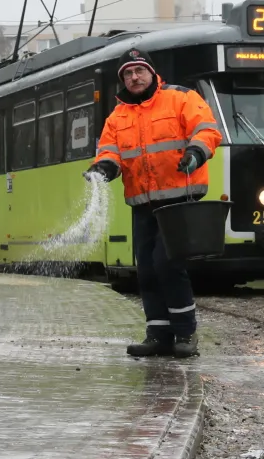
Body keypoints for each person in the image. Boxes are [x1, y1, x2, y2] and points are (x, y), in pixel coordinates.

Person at [86, 50, 223, 359]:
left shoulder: (180, 98)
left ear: (151, 72)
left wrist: (196, 152)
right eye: (128, 74)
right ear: (123, 79)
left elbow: (207, 130)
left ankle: (186, 332)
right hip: (143, 203)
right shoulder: (117, 116)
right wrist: (104, 168)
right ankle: (158, 334)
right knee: (146, 270)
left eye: (139, 71)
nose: (134, 77)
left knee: (167, 264)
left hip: (178, 198)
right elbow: (109, 152)